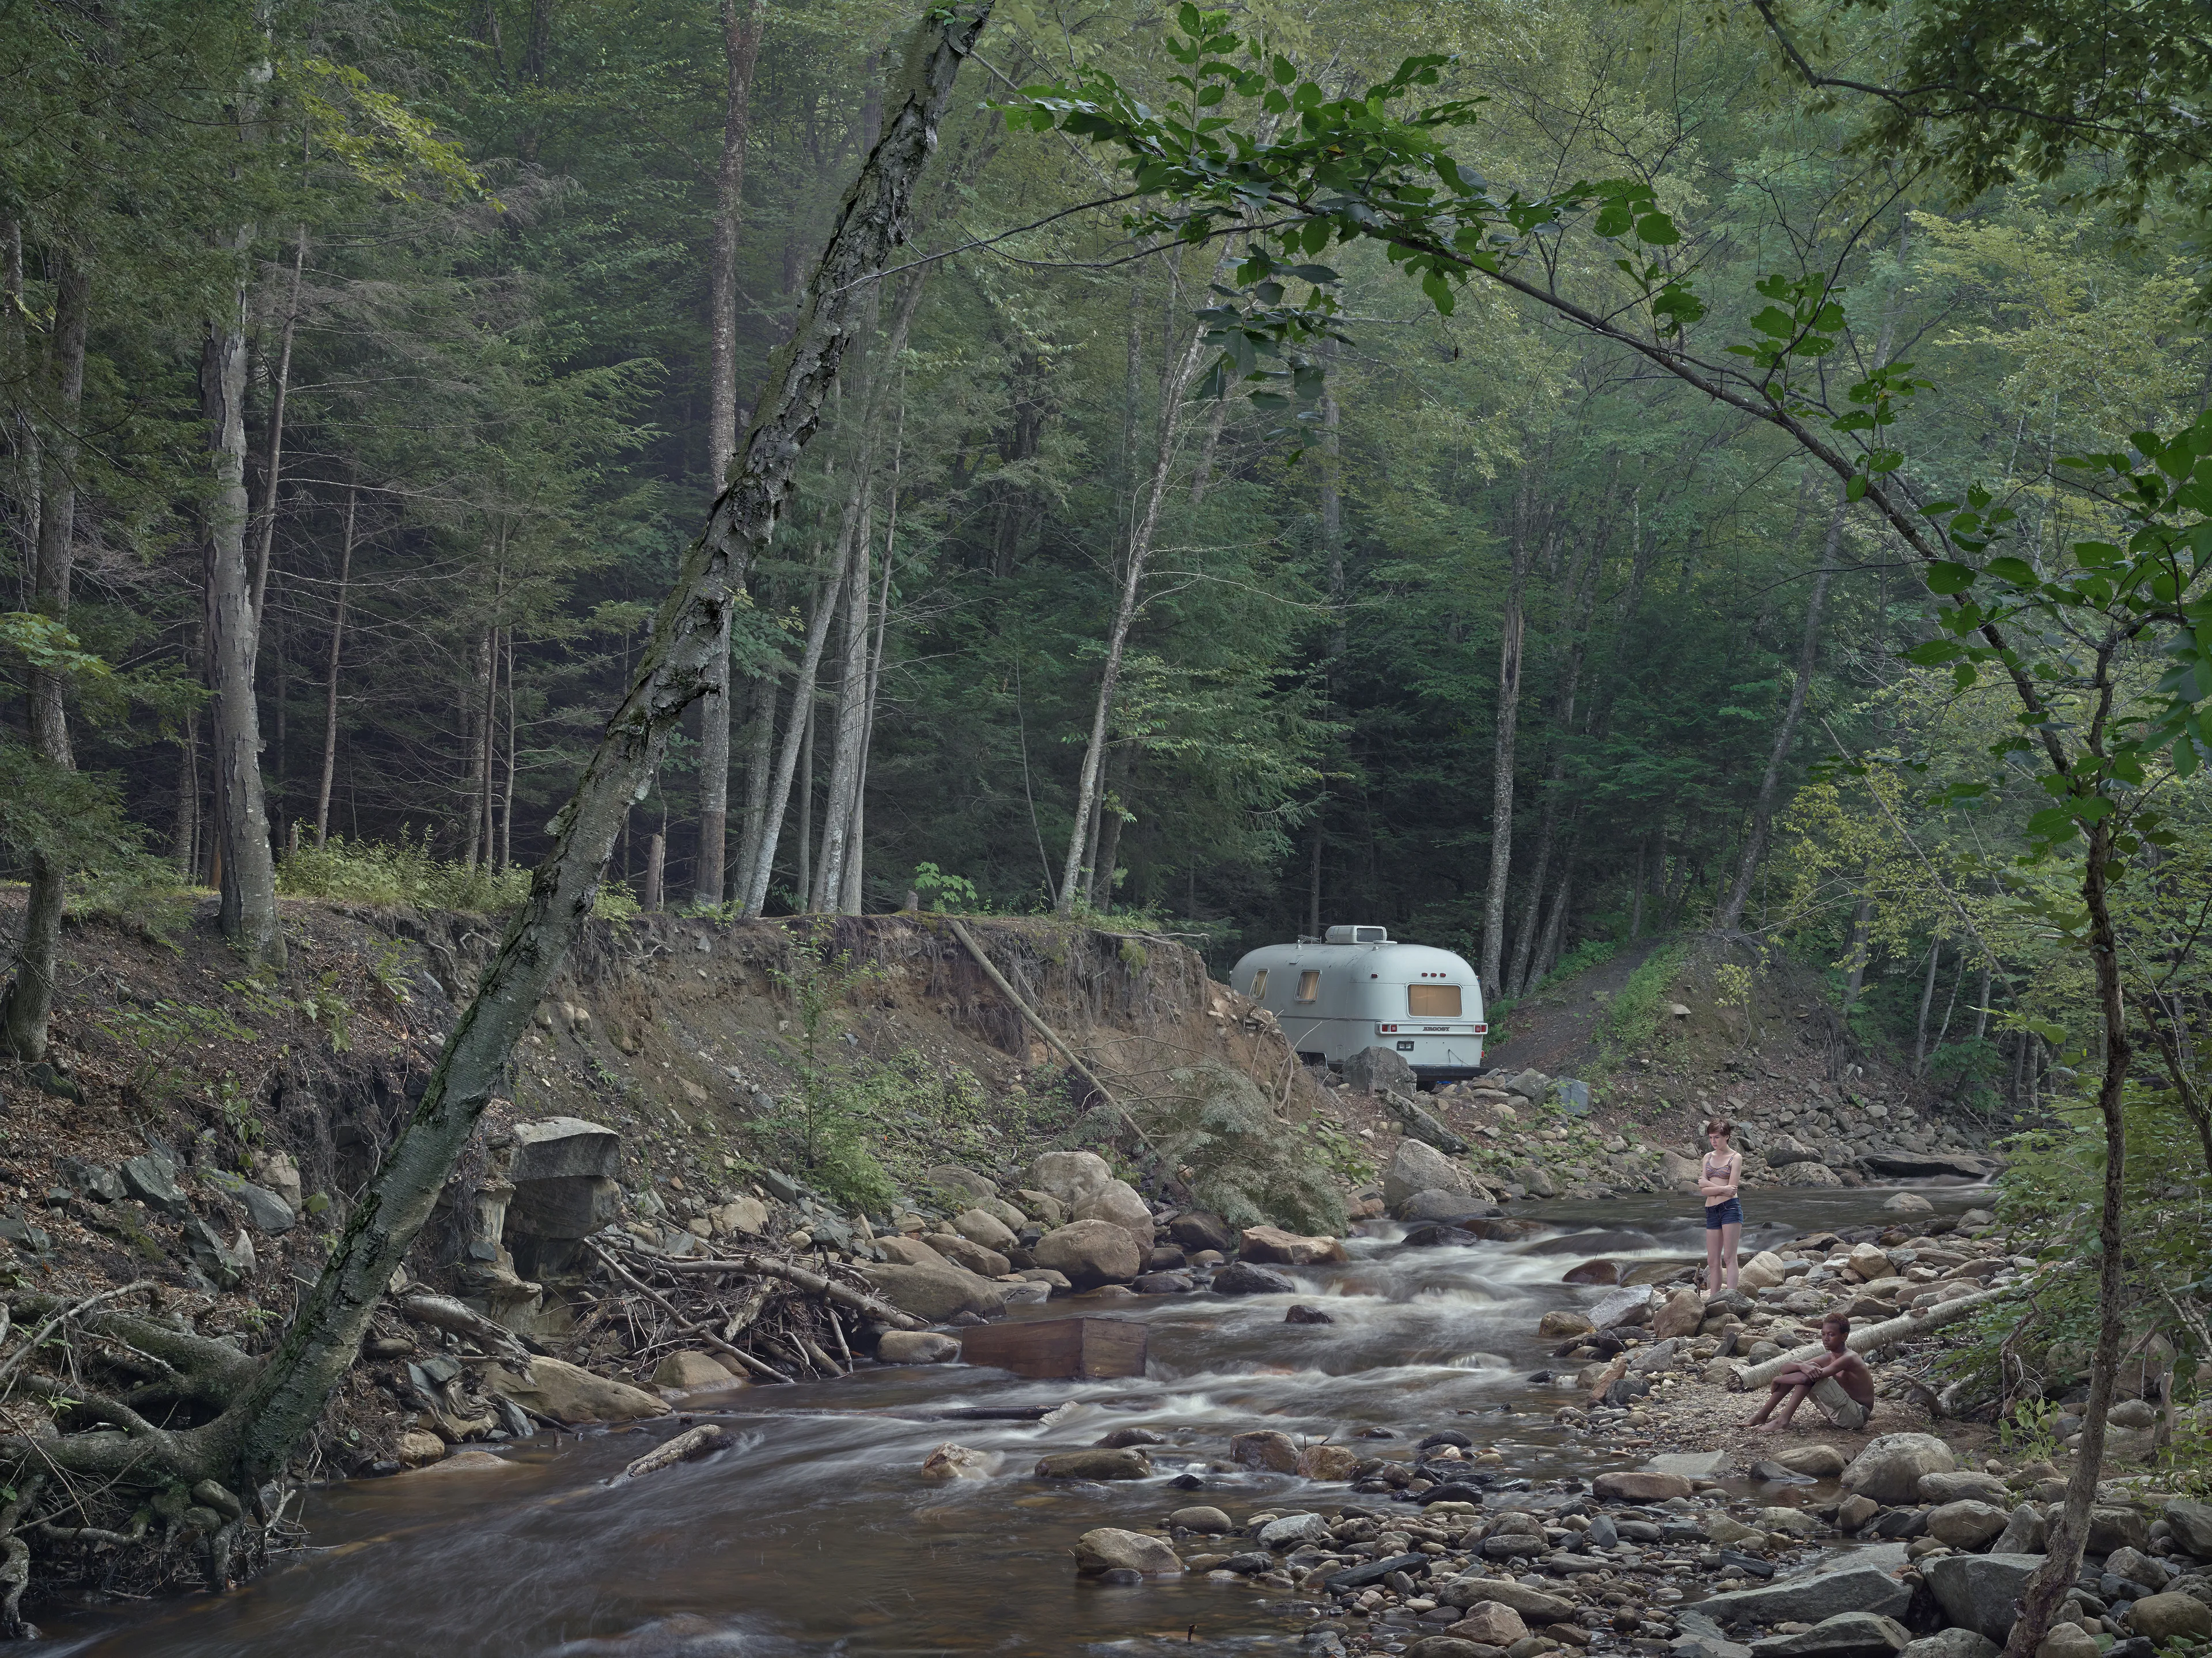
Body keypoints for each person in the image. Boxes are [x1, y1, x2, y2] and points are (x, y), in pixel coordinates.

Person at [1748, 1312, 1874, 1432]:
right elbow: (1784, 1368)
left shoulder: (1849, 1358)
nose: (1825, 1339)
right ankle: (1762, 1416)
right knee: (1806, 1368)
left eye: (1831, 1335)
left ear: (1844, 1337)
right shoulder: (1829, 1357)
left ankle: (1783, 1421)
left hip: (1857, 1416)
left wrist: (1777, 1379)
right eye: (1823, 1334)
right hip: (1838, 1412)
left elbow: (1807, 1379)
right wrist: (1802, 1366)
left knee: (1812, 1374)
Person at [1698, 1117, 1743, 1294]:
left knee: (1729, 1257)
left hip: (1730, 1208)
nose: (1713, 1142)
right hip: (1711, 1210)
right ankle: (1713, 1299)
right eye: (1710, 1138)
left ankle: (1731, 1296)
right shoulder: (1707, 1157)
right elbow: (1702, 1190)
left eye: (1717, 1137)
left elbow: (1732, 1191)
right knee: (1712, 1261)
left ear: (1727, 1136)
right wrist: (1722, 1189)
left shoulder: (1735, 1158)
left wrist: (1712, 1186)